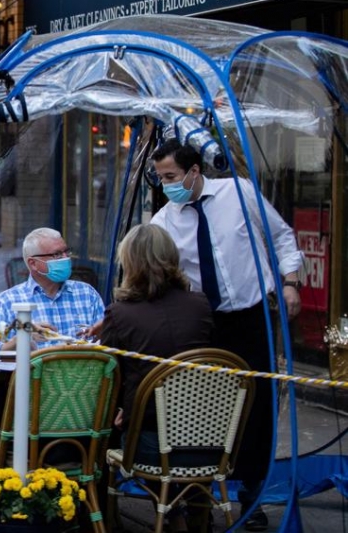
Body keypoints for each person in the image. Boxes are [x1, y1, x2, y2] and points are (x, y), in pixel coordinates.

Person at [149, 138, 304, 531]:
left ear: (194, 171)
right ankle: (199, 496)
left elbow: (282, 236)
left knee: (258, 407)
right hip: (203, 321)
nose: (166, 185)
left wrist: (289, 282)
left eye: (171, 176)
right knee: (204, 409)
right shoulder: (164, 220)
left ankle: (254, 494)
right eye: (161, 178)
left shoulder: (239, 193)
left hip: (253, 315)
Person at [101, 224, 214, 532]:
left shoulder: (120, 313)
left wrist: (123, 407)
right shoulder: (200, 306)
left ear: (130, 262)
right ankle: (194, 514)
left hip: (153, 443)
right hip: (211, 437)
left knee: (104, 429)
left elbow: (107, 374)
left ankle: (112, 518)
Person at [0, 227, 105, 357]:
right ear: (33, 264)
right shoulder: (8, 300)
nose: (65, 258)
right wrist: (21, 339)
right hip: (33, 376)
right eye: (57, 254)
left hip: (85, 375)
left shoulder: (87, 294)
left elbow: (108, 344)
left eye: (66, 252)